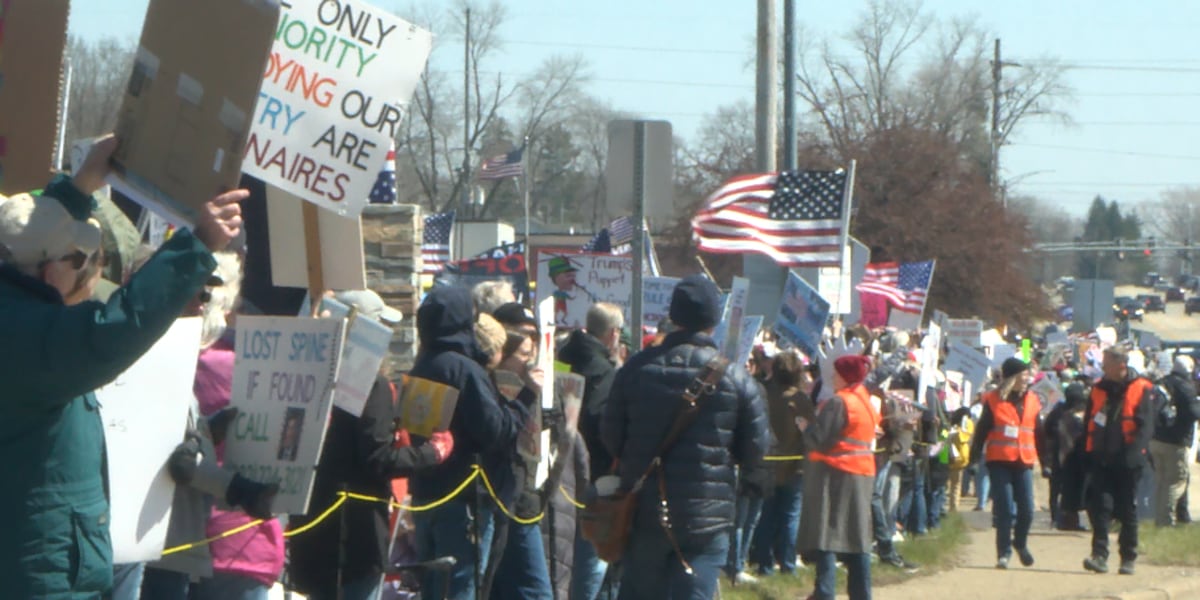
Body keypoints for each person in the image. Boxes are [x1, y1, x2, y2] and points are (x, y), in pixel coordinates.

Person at [0, 137, 244, 598]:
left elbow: (30, 236)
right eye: (81, 259)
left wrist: (80, 186)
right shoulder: (26, 335)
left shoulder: (15, 308)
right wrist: (198, 245)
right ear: (53, 272)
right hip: (37, 579)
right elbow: (119, 325)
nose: (89, 268)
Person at [602, 274, 768, 599]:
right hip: (707, 513)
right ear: (714, 320)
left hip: (645, 505)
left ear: (674, 316)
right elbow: (756, 447)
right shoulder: (734, 377)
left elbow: (611, 435)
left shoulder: (635, 369)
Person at [287, 290, 455, 600]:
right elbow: (379, 458)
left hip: (310, 523)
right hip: (355, 534)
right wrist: (433, 451)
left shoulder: (308, 374)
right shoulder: (371, 384)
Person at [408, 286, 528, 600]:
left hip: (425, 494)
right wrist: (517, 406)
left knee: (434, 588)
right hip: (464, 499)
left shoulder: (421, 364)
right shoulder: (464, 369)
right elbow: (494, 431)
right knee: (462, 587)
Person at [798, 355, 881, 600]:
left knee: (827, 535)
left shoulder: (839, 402)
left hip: (836, 474)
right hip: (862, 472)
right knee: (858, 538)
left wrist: (805, 428)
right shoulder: (864, 400)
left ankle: (824, 592)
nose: (832, 378)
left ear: (845, 376)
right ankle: (861, 593)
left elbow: (820, 438)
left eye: (835, 374)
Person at [557, 302, 625, 600]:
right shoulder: (603, 372)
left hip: (557, 466)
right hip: (593, 472)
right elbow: (602, 425)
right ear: (612, 333)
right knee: (593, 555)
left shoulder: (562, 356)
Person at [1083, 346, 1155, 575]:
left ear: (1120, 365)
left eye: (1106, 362)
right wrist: (1085, 453)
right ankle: (1099, 556)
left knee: (1127, 509)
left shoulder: (1142, 388)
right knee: (1100, 508)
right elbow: (1088, 423)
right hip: (1102, 458)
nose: (1102, 367)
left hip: (1128, 460)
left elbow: (1146, 427)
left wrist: (1135, 454)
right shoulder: (1098, 389)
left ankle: (1128, 558)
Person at [969, 358, 1040, 569]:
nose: (1027, 378)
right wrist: (973, 460)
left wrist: (1047, 462)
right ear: (1012, 377)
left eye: (1028, 374)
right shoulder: (992, 400)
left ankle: (1020, 543)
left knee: (1027, 510)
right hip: (999, 461)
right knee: (1004, 509)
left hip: (1024, 461)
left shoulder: (1033, 399)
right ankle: (1003, 553)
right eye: (1023, 375)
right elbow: (981, 431)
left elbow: (1041, 433)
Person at [750, 351, 811, 576]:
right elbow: (810, 433)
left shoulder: (763, 394)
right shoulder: (800, 399)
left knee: (766, 516)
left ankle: (765, 564)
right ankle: (787, 564)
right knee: (789, 517)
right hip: (794, 466)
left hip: (768, 463)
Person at [1150, 355, 1200, 526]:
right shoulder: (1185, 387)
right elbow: (1194, 413)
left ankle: (1159, 517)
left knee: (1161, 480)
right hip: (1175, 441)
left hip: (1155, 438)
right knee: (1176, 480)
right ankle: (1165, 520)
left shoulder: (1162, 382)